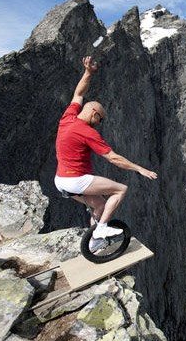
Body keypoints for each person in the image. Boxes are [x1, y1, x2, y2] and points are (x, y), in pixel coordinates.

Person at [54, 56, 157, 250]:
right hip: (76, 180)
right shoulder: (87, 132)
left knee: (99, 206)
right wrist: (140, 169)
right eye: (100, 120)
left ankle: (93, 244)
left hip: (60, 180)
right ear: (94, 114)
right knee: (121, 189)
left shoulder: (67, 118)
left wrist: (88, 73)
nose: (100, 124)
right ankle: (101, 229)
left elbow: (78, 93)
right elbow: (113, 158)